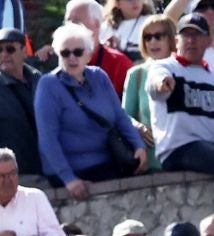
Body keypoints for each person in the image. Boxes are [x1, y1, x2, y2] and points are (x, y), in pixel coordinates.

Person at [151, 14, 214, 233]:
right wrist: (162, 85)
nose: (191, 41)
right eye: (186, 35)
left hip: (212, 150)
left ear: (208, 40)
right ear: (176, 40)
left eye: (197, 35)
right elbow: (155, 84)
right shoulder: (165, 67)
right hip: (180, 147)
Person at [35, 21, 147, 198]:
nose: (72, 58)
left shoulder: (99, 77)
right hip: (71, 169)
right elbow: (48, 138)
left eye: (78, 52)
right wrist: (68, 179)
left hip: (107, 160)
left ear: (88, 55)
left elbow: (119, 115)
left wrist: (138, 146)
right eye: (65, 53)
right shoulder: (49, 85)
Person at [0, 26, 43, 177]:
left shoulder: (40, 81)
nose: (4, 54)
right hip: (10, 176)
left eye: (10, 49)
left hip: (44, 170)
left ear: (24, 51)